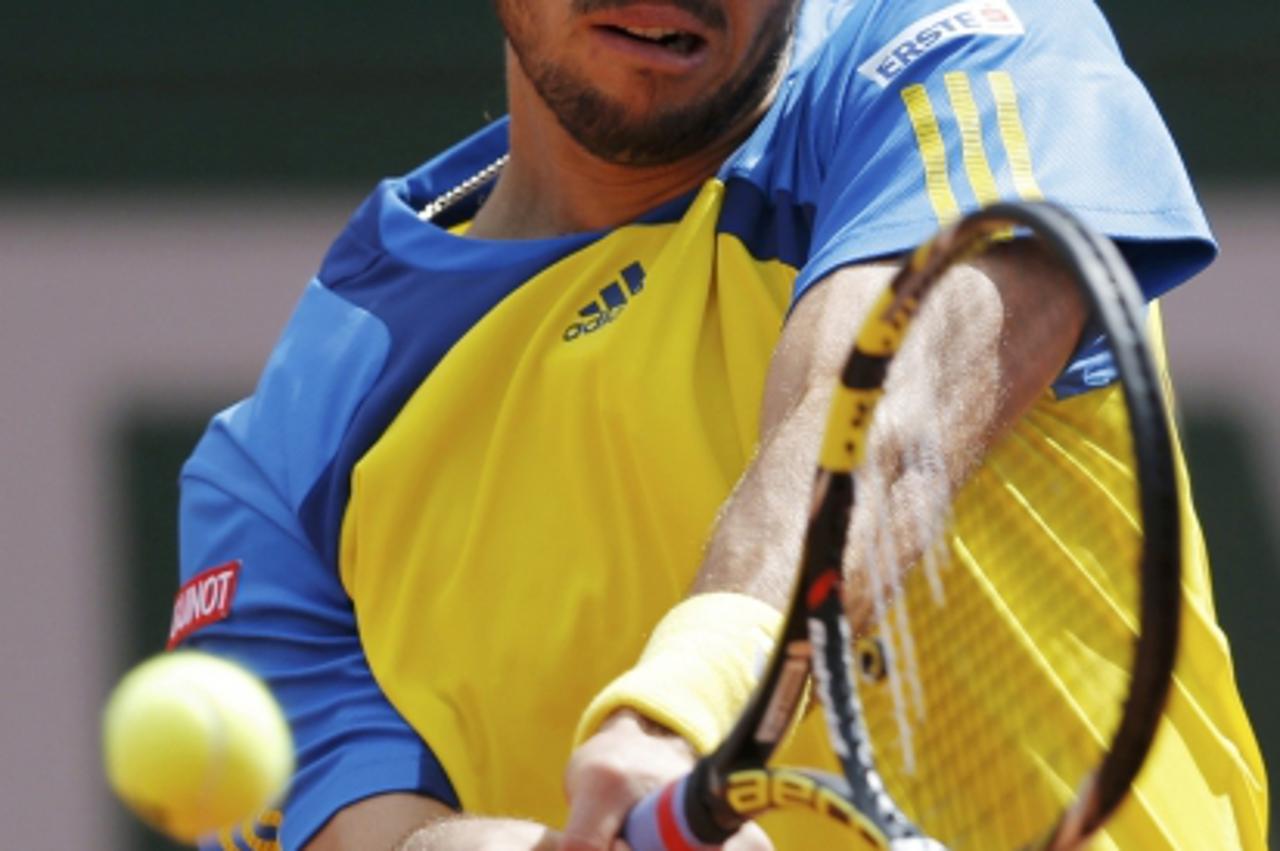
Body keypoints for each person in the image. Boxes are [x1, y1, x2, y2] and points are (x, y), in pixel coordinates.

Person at [173, 0, 1268, 848]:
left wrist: (684, 708)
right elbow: (372, 835)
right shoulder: (280, 459)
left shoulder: (961, 47)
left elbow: (879, 417)